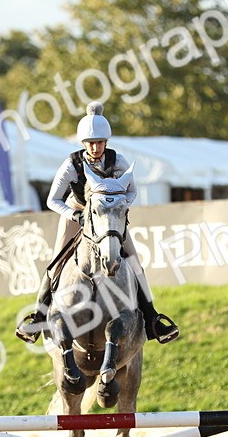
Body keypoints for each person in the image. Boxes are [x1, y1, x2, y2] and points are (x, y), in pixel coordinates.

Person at [15, 101, 179, 345]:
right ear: (83, 144)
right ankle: (38, 317)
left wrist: (120, 209)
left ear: (106, 142)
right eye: (91, 143)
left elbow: (132, 191)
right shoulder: (72, 165)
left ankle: (152, 318)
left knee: (134, 262)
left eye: (100, 142)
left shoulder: (119, 161)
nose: (95, 147)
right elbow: (52, 199)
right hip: (76, 211)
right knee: (56, 261)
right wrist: (75, 215)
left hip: (108, 217)